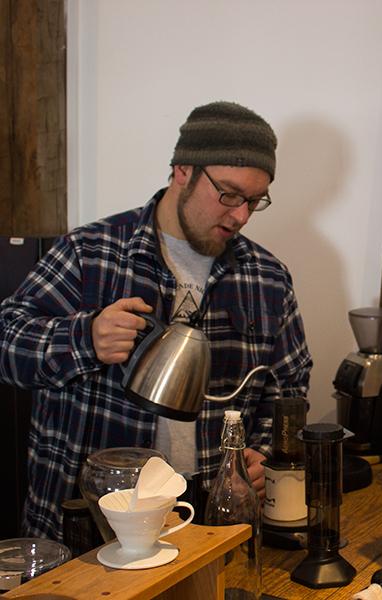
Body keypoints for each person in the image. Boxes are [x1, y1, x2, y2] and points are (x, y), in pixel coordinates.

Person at [0, 100, 313, 541]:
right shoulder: (92, 254)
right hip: (93, 522)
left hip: (207, 520)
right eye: (228, 194)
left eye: (254, 201)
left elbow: (289, 384)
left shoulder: (266, 277)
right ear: (182, 170)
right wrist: (85, 338)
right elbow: (7, 341)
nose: (241, 215)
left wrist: (263, 452)